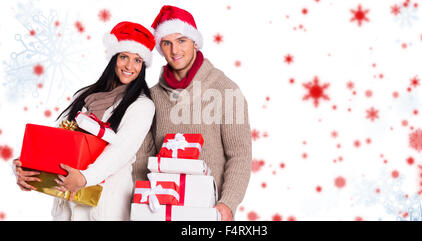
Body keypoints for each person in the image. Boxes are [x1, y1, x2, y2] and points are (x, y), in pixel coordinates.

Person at [13, 21, 156, 221]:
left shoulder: (141, 106)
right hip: (66, 203)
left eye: (137, 60)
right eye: (124, 57)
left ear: (143, 66)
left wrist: (84, 177)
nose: (129, 66)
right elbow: (56, 139)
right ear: (114, 58)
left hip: (104, 206)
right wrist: (25, 166)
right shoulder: (84, 95)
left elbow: (122, 150)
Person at [133, 5, 252, 221]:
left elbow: (240, 155)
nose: (175, 51)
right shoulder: (151, 97)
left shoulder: (226, 90)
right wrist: (141, 199)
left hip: (208, 210)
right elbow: (143, 156)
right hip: (159, 209)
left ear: (194, 42)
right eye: (166, 43)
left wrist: (228, 203)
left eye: (181, 41)